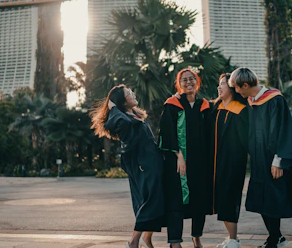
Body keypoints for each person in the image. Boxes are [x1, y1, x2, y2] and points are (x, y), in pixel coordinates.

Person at [229, 68, 292, 248]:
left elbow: (283, 130)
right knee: (262, 200)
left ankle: (274, 238)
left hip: (272, 159)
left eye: (238, 88)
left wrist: (279, 160)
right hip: (258, 159)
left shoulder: (274, 99)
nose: (236, 92)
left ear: (245, 85)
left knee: (272, 200)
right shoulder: (252, 101)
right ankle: (276, 237)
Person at [91, 85, 164, 248]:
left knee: (154, 199)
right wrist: (114, 108)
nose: (133, 94)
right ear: (122, 102)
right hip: (142, 165)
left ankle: (146, 238)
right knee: (150, 199)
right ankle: (134, 241)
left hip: (154, 162)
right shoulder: (122, 120)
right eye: (129, 94)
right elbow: (118, 121)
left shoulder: (134, 116)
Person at [159, 67, 212, 248]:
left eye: (192, 79)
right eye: (184, 80)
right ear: (179, 84)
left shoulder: (204, 105)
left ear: (197, 82)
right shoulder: (172, 104)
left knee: (199, 199)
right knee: (176, 200)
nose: (189, 82)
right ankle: (175, 242)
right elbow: (167, 132)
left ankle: (196, 237)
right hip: (178, 162)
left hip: (200, 162)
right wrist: (179, 155)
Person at [211, 73, 249, 248]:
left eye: (223, 84)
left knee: (230, 199)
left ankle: (234, 240)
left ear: (232, 88)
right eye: (219, 84)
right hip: (216, 164)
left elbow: (245, 140)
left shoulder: (241, 110)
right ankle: (232, 237)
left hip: (233, 163)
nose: (219, 87)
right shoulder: (215, 109)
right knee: (221, 201)